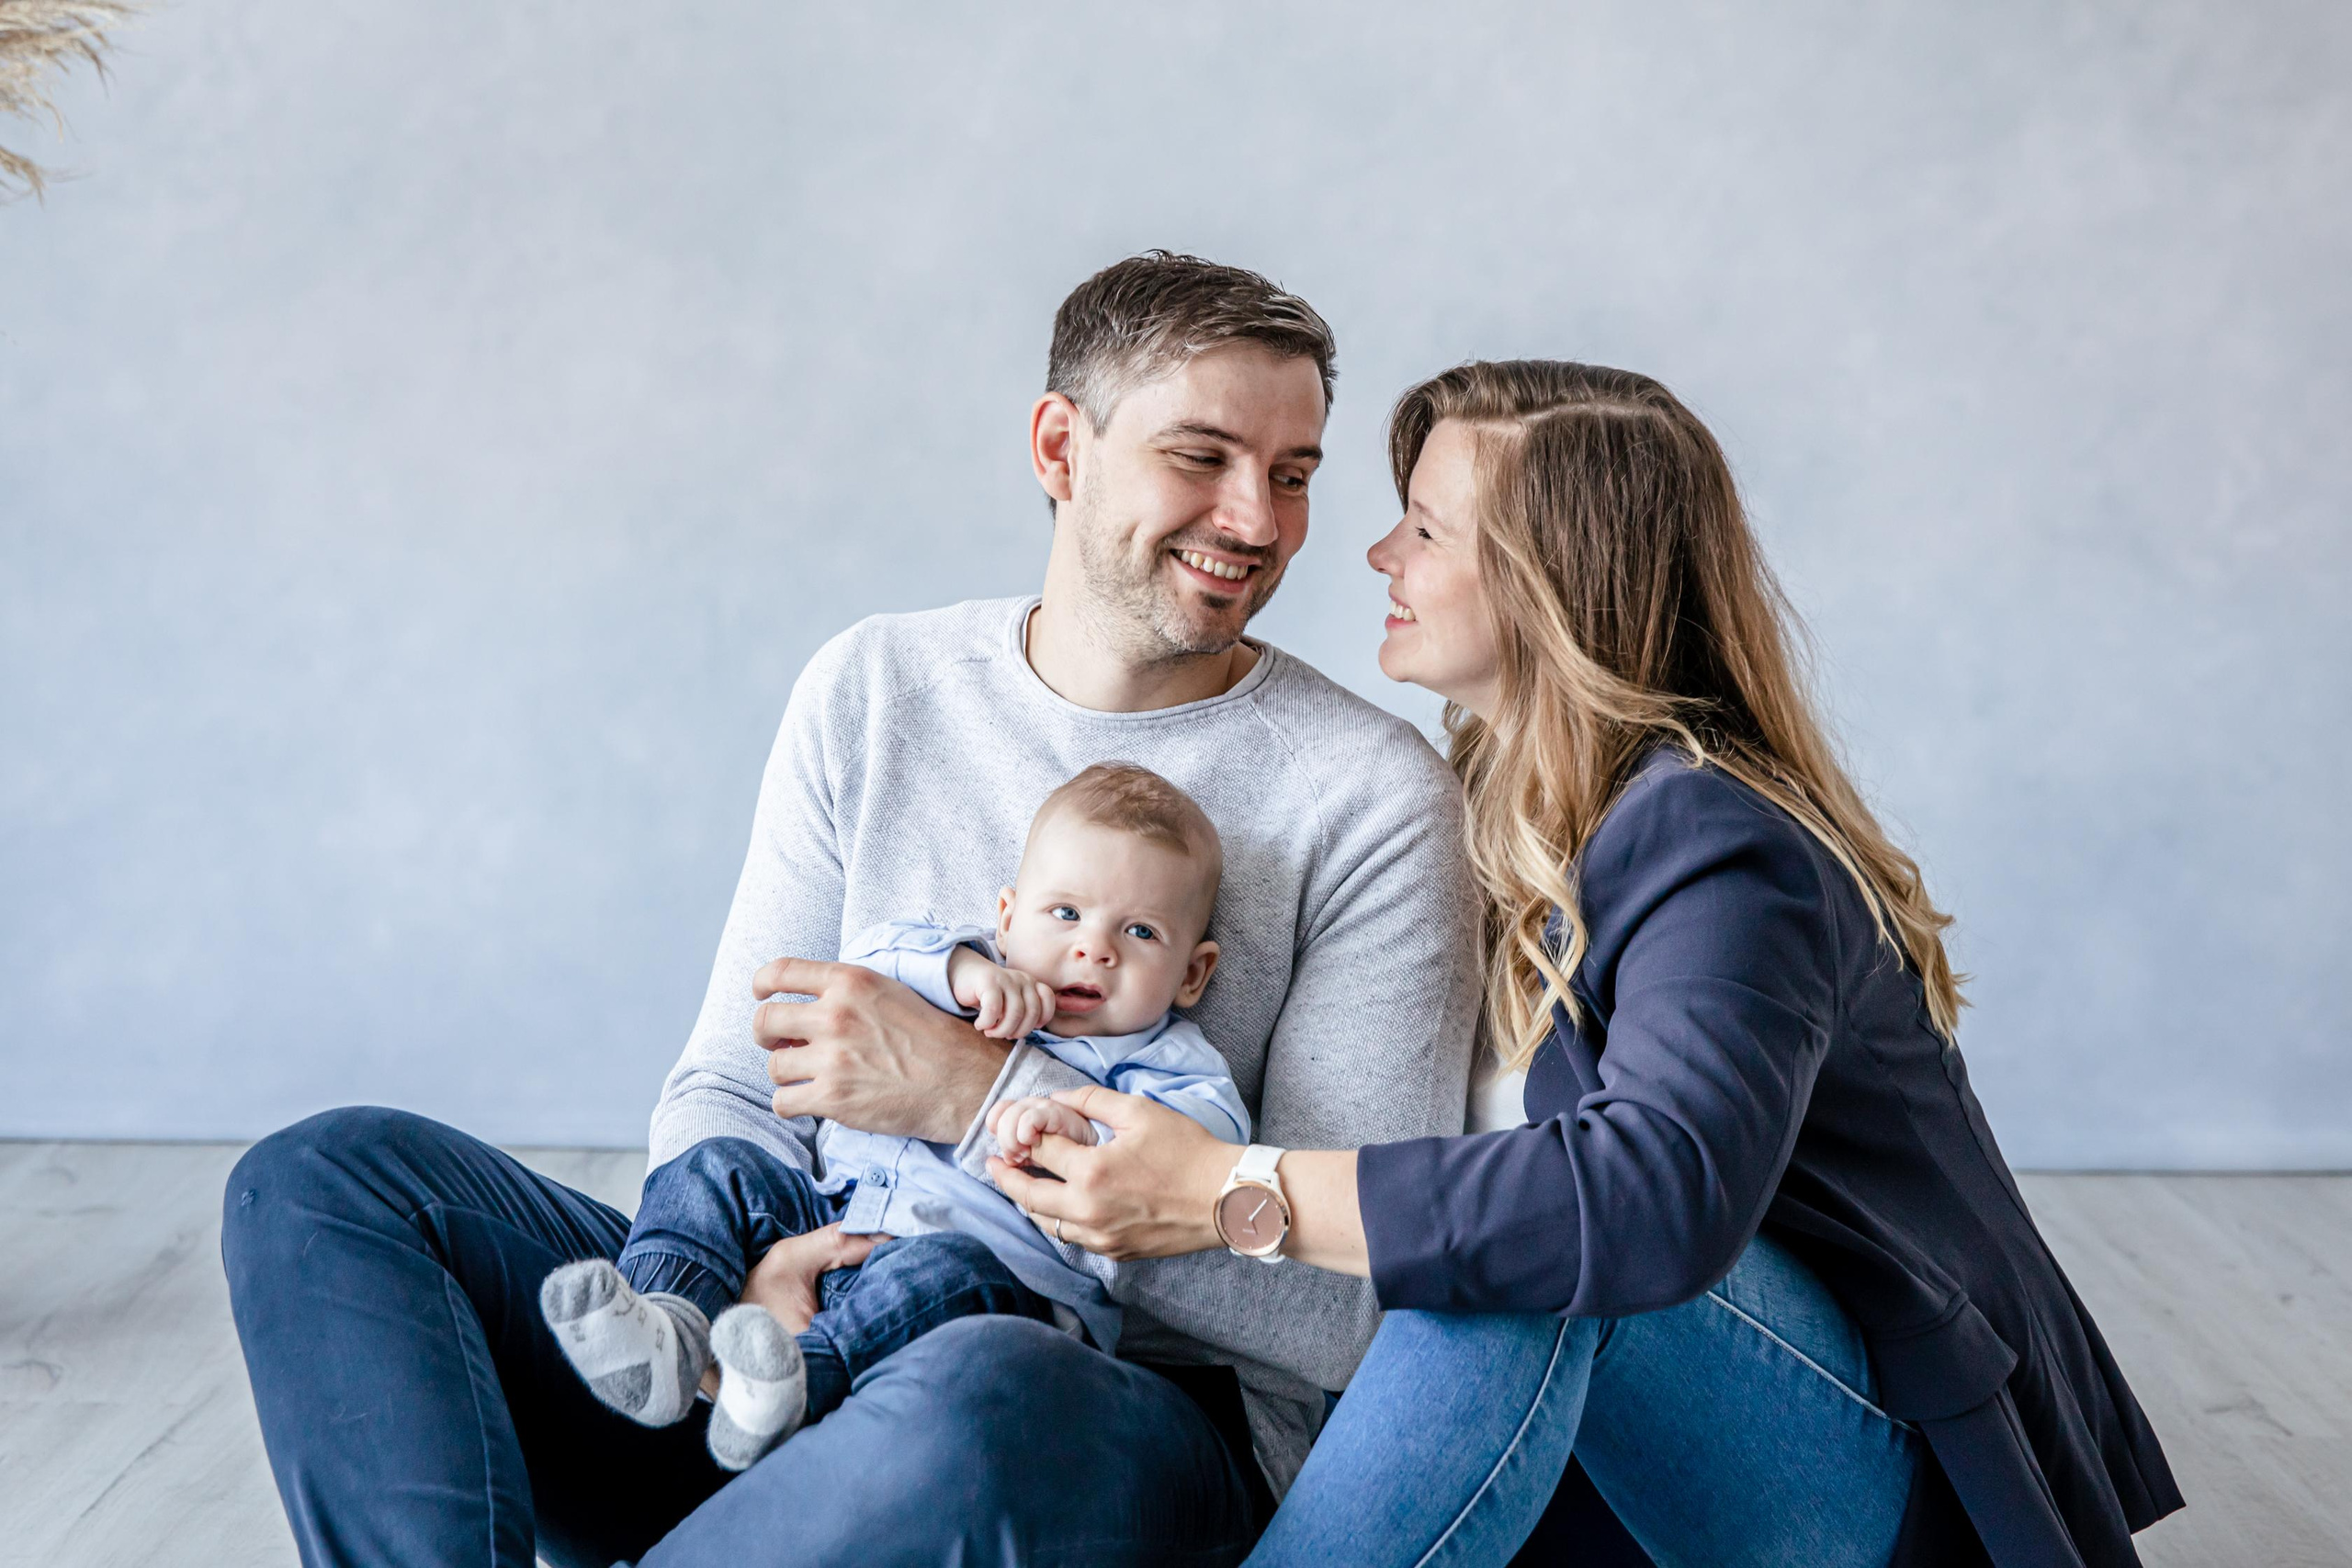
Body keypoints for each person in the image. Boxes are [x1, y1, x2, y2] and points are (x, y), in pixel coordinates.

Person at [220, 253, 1482, 1567]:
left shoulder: (1370, 796)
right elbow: (729, 1075)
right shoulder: (880, 687)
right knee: (327, 1177)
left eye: (1293, 473)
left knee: (984, 1383)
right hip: (768, 1342)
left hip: (1093, 1402)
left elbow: (1345, 1302)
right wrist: (738, 1296)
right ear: (1062, 445)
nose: (1257, 518)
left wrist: (972, 1094)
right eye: (1205, 455)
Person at [992, 360, 2185, 1567]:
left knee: (1536, 1250)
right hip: (1625, 1463)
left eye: (1423, 526)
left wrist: (1228, 1190)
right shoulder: (1481, 811)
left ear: (1550, 577)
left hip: (1877, 1478)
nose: (1377, 556)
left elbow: (1649, 1195)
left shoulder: (1716, 835)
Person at [538, 761, 1250, 1473]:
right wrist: (964, 973)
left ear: (1193, 972)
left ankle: (790, 1381)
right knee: (716, 1166)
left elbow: (1204, 1161)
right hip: (828, 1209)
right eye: (1065, 913)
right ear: (1007, 917)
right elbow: (864, 968)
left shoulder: (1165, 1062)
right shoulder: (964, 972)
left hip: (995, 1277)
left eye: (1141, 931)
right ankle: (664, 1318)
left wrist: (1086, 1134)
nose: (1095, 947)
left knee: (946, 1274)